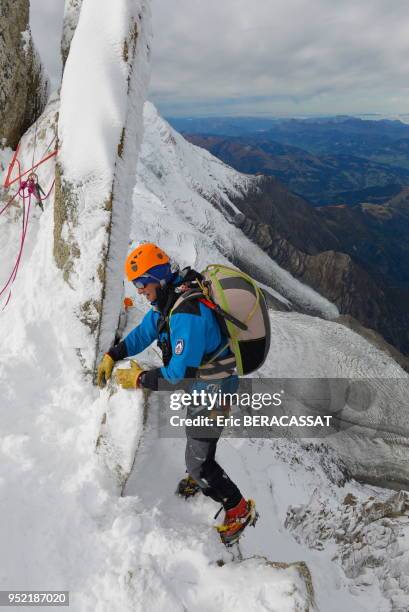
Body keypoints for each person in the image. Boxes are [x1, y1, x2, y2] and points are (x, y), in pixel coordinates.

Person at [97, 242, 257, 545]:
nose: (141, 292)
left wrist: (140, 379)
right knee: (196, 440)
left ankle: (237, 507)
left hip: (215, 391)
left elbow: (178, 375)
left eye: (143, 286)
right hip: (205, 388)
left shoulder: (186, 314)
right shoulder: (170, 301)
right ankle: (199, 474)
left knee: (199, 458)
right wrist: (113, 353)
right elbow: (145, 333)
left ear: (157, 278)